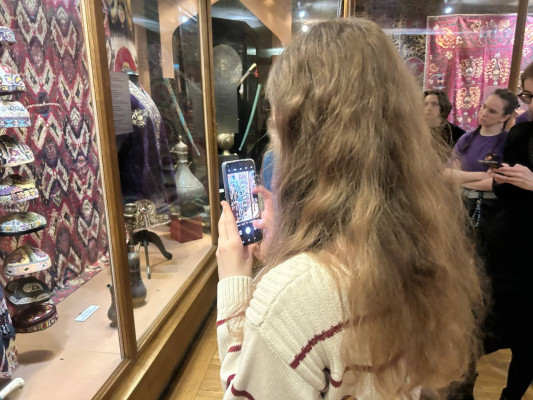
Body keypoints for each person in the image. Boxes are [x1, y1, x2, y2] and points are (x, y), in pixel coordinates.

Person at [216, 19, 485, 399]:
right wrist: (287, 249)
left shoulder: (290, 296)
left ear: (296, 136)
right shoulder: (422, 243)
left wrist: (234, 284)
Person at [481, 118, 533, 399]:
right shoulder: (521, 133)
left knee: (527, 345)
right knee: (478, 331)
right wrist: (503, 179)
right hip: (506, 251)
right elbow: (508, 194)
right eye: (528, 97)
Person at [445, 89, 518, 239]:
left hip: (490, 212)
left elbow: (497, 184)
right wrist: (482, 175)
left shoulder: (508, 142)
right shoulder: (467, 138)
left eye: (492, 111)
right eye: (484, 106)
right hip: (460, 205)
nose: (484, 113)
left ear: (504, 117)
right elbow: (447, 174)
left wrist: (461, 180)